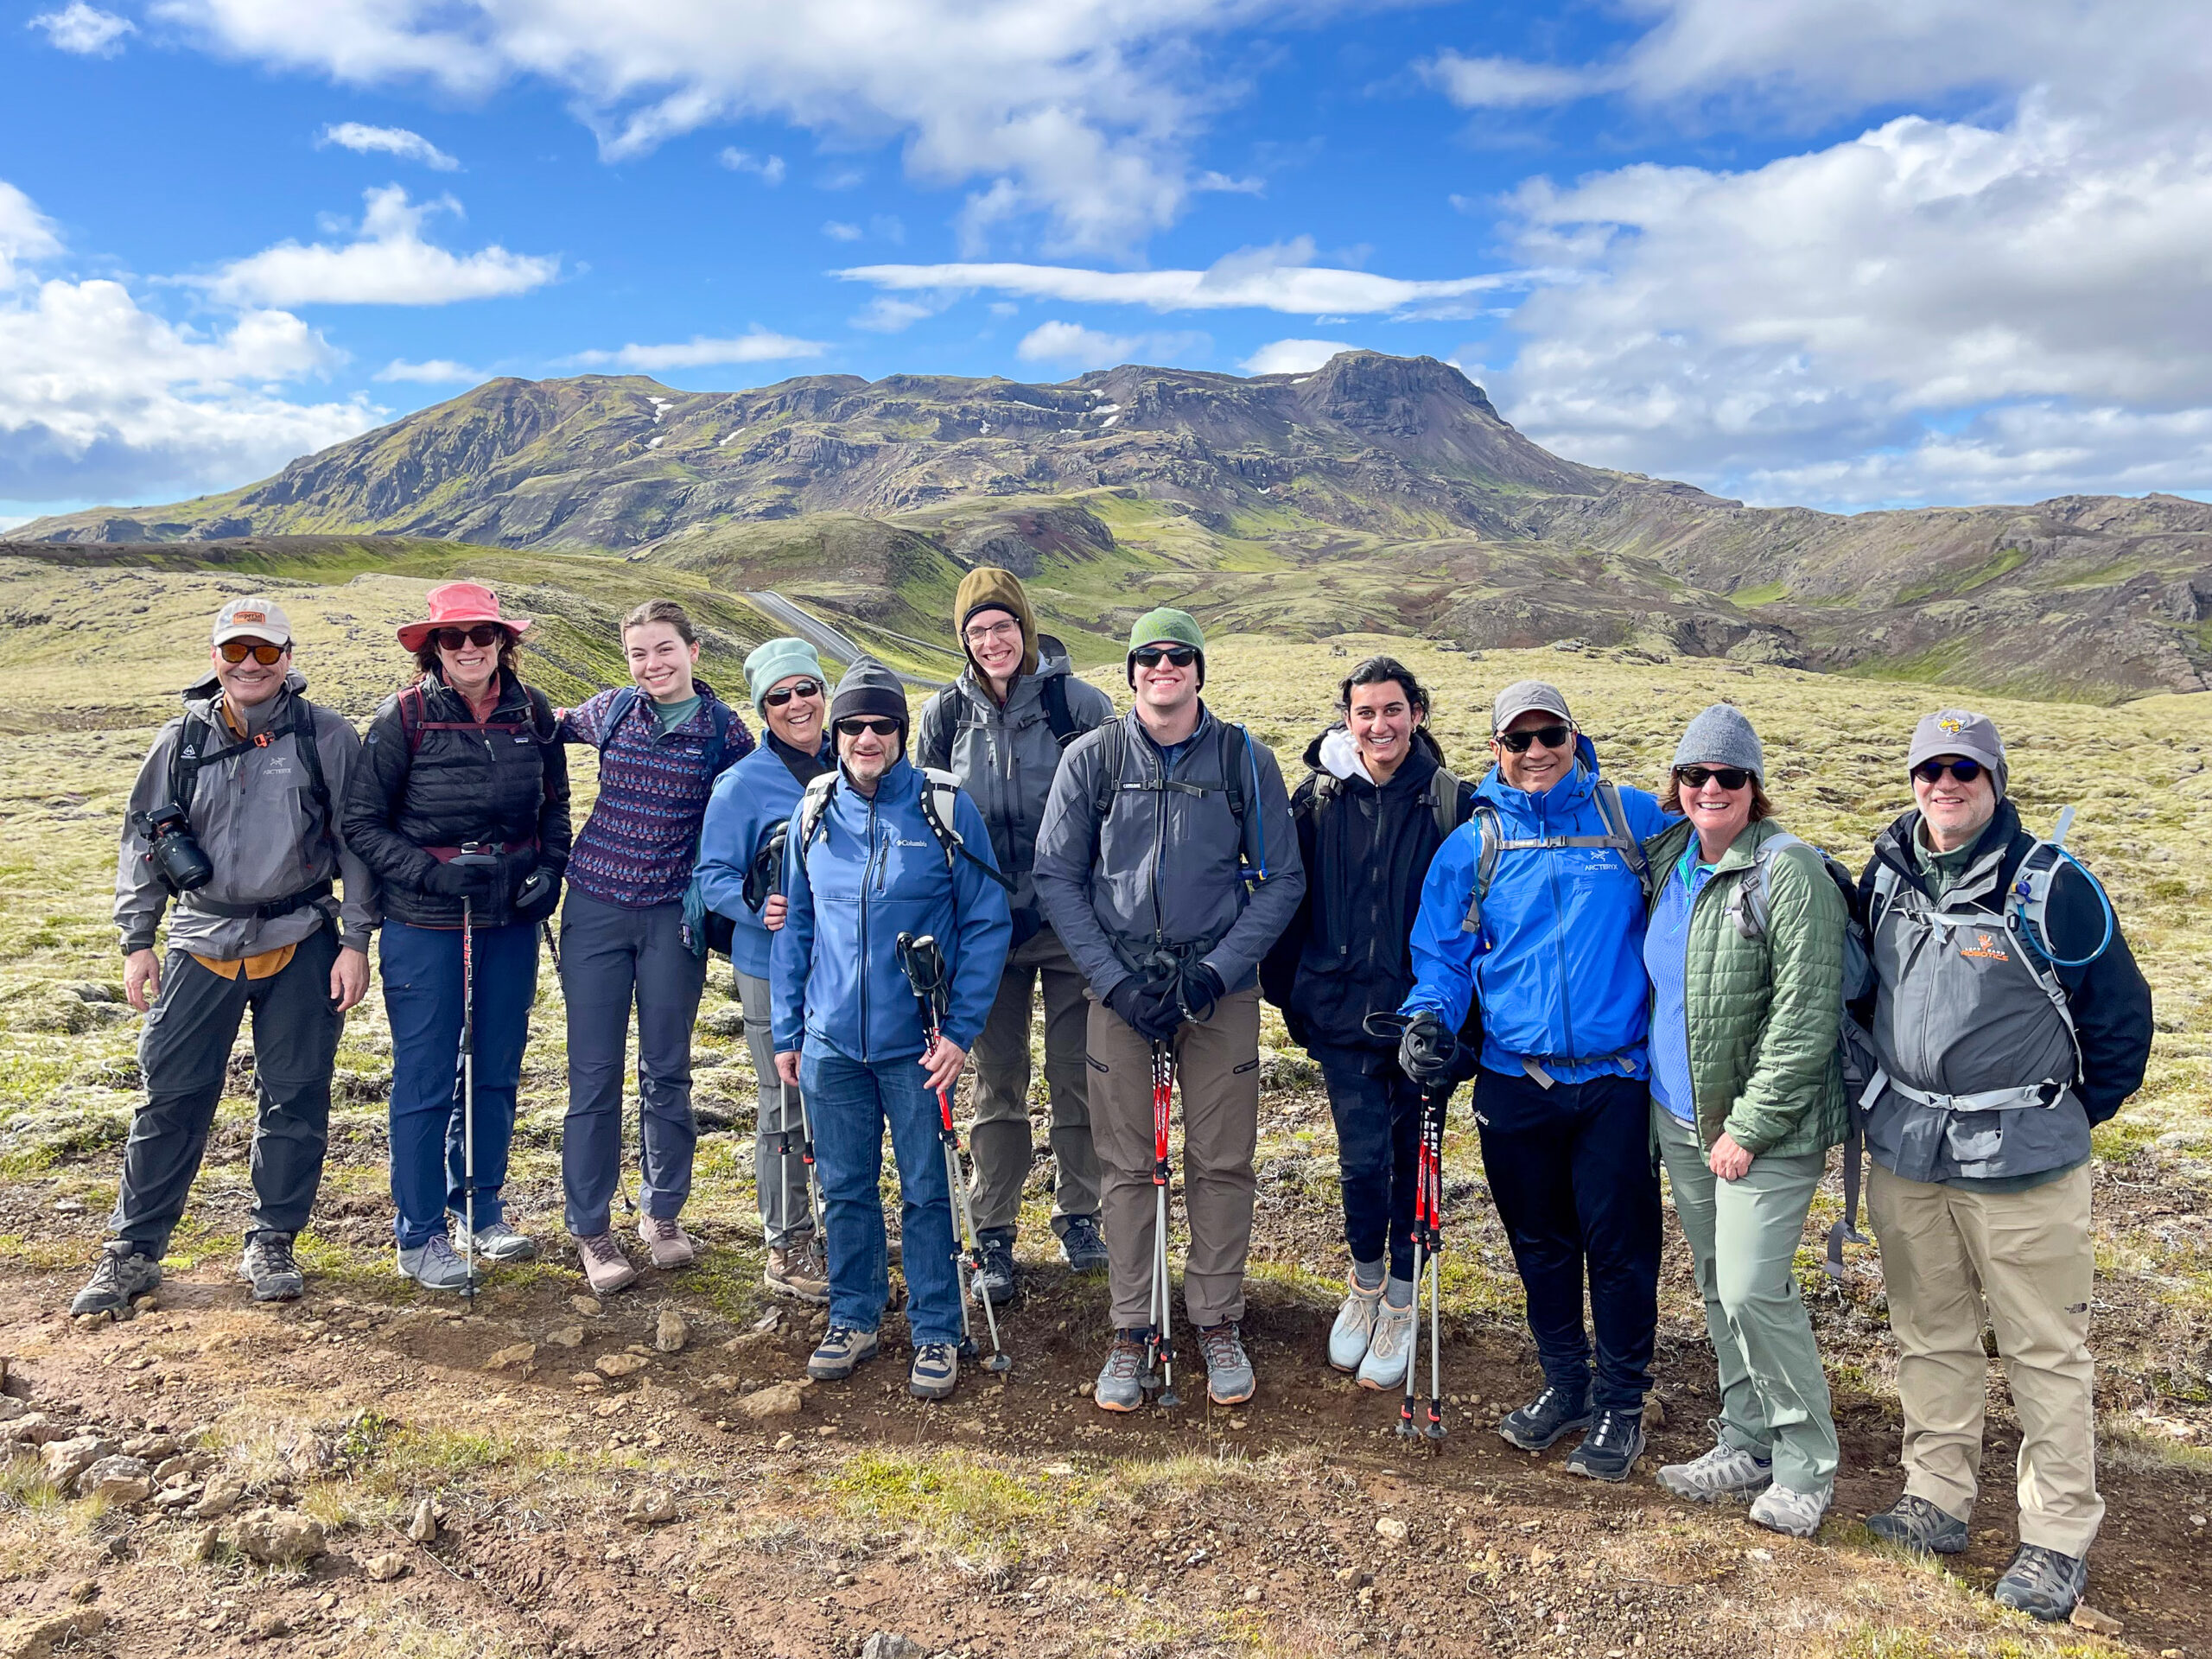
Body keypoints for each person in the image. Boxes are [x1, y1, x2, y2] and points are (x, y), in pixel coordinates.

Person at [1855, 710, 2151, 1621]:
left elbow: (2119, 1024)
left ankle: (2055, 1539)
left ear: (1995, 779)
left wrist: (2055, 1114)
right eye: (1929, 769)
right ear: (1910, 779)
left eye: (1963, 769)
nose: (1944, 784)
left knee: (2043, 1351)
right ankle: (1935, 1499)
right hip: (1908, 1151)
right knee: (1929, 1332)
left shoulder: (2054, 887)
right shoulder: (1885, 874)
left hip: (2023, 1160)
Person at [1395, 679, 1668, 1480]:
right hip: (1515, 1081)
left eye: (1551, 735)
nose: (1537, 751)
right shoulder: (1473, 845)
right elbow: (1443, 958)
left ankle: (1623, 1402)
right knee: (1540, 1246)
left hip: (1616, 1079)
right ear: (1497, 751)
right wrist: (1428, 1021)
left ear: (1575, 738)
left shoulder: (1632, 819)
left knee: (1619, 1250)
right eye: (1520, 740)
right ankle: (1568, 1385)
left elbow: (1714, 848)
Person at [1034, 608, 1304, 1411]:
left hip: (1217, 994)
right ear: (1130, 673)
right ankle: (1130, 1325)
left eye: (1178, 657)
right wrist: (1113, 982)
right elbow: (1058, 876)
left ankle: (1215, 1317)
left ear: (1198, 670)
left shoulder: (1245, 761)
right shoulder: (1091, 759)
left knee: (1221, 1161)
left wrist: (1217, 973)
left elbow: (1281, 878)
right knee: (1125, 1165)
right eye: (1148, 657)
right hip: (1119, 986)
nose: (1163, 669)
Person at [78, 595, 378, 1315]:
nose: (250, 665)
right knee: (171, 1096)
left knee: (296, 1095)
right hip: (198, 942)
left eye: (266, 652)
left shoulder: (327, 737)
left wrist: (356, 941)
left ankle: (272, 1238)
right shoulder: (178, 741)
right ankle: (134, 1249)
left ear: (289, 658)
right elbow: (142, 839)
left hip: (301, 939)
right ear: (214, 658)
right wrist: (136, 941)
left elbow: (357, 844)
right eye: (236, 652)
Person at [772, 659, 1012, 1401]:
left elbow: (986, 920)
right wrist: (790, 1029)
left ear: (902, 733)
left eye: (881, 725)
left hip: (920, 1045)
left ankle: (939, 1327)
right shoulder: (813, 811)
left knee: (927, 1189)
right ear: (837, 734)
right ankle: (855, 1315)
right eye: (852, 725)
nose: (866, 737)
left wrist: (960, 1031)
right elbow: (798, 926)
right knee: (842, 1187)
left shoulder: (943, 807)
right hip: (832, 1043)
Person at [1639, 705, 1847, 1537]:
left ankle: (1806, 1465)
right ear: (1677, 785)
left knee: (1757, 1287)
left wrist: (1750, 1127)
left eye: (1730, 776)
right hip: (1680, 1118)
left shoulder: (1788, 872)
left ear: (1755, 787)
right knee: (1719, 1285)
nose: (1712, 789)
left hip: (1763, 1129)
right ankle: (1747, 1438)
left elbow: (1805, 1016)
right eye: (1696, 775)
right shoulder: (1672, 863)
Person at [344, 582, 569, 1291]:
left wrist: (550, 872)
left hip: (509, 921)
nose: (469, 647)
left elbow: (555, 807)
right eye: (454, 637)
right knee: (427, 1076)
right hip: (424, 923)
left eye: (482, 634)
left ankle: (481, 1206)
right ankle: (419, 1234)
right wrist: (426, 875)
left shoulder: (530, 713)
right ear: (433, 649)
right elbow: (360, 823)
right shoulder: (401, 718)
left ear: (504, 641)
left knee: (497, 1067)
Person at [1259, 656, 1475, 1391]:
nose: (1379, 725)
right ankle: (1365, 1285)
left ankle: (1405, 1301)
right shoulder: (1317, 801)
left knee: (1415, 1164)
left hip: (1425, 1027)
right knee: (1359, 1164)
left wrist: (1460, 1027)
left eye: (1393, 710)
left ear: (1417, 712)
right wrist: (1294, 999)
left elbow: (1475, 925)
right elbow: (1290, 903)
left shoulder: (1454, 804)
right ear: (1346, 719)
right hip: (1342, 1016)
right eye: (1365, 713)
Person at [913, 567, 1116, 1301]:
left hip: (1069, 927)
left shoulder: (1078, 705)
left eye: (1002, 626)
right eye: (977, 631)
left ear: (1024, 628)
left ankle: (1080, 1214)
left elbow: (1116, 812)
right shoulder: (944, 716)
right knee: (997, 1081)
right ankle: (993, 1232)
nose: (992, 641)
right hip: (983, 933)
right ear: (963, 641)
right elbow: (925, 818)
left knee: (1077, 1077)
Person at [556, 600, 753, 1294]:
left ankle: (662, 1215)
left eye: (664, 649)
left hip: (674, 919)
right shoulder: (610, 711)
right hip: (594, 910)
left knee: (667, 1070)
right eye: (638, 653)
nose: (652, 665)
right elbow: (535, 733)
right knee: (593, 1074)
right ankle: (592, 1229)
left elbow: (752, 807)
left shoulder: (726, 731)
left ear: (694, 651)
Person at [696, 636, 835, 1303]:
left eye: (806, 689)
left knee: (838, 1096)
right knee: (785, 1101)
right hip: (772, 969)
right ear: (762, 709)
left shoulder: (860, 758)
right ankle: (787, 1243)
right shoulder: (742, 784)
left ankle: (839, 1219)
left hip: (847, 969)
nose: (796, 704)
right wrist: (757, 903)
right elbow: (711, 877)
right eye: (779, 697)